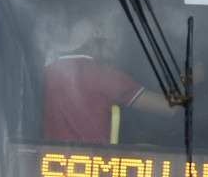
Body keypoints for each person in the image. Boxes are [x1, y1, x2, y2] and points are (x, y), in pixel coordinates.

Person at [41, 19, 175, 144]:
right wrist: (193, 74)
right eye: (114, 39)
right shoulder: (104, 76)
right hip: (93, 165)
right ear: (97, 41)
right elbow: (169, 107)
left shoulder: (44, 73)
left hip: (47, 165)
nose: (117, 47)